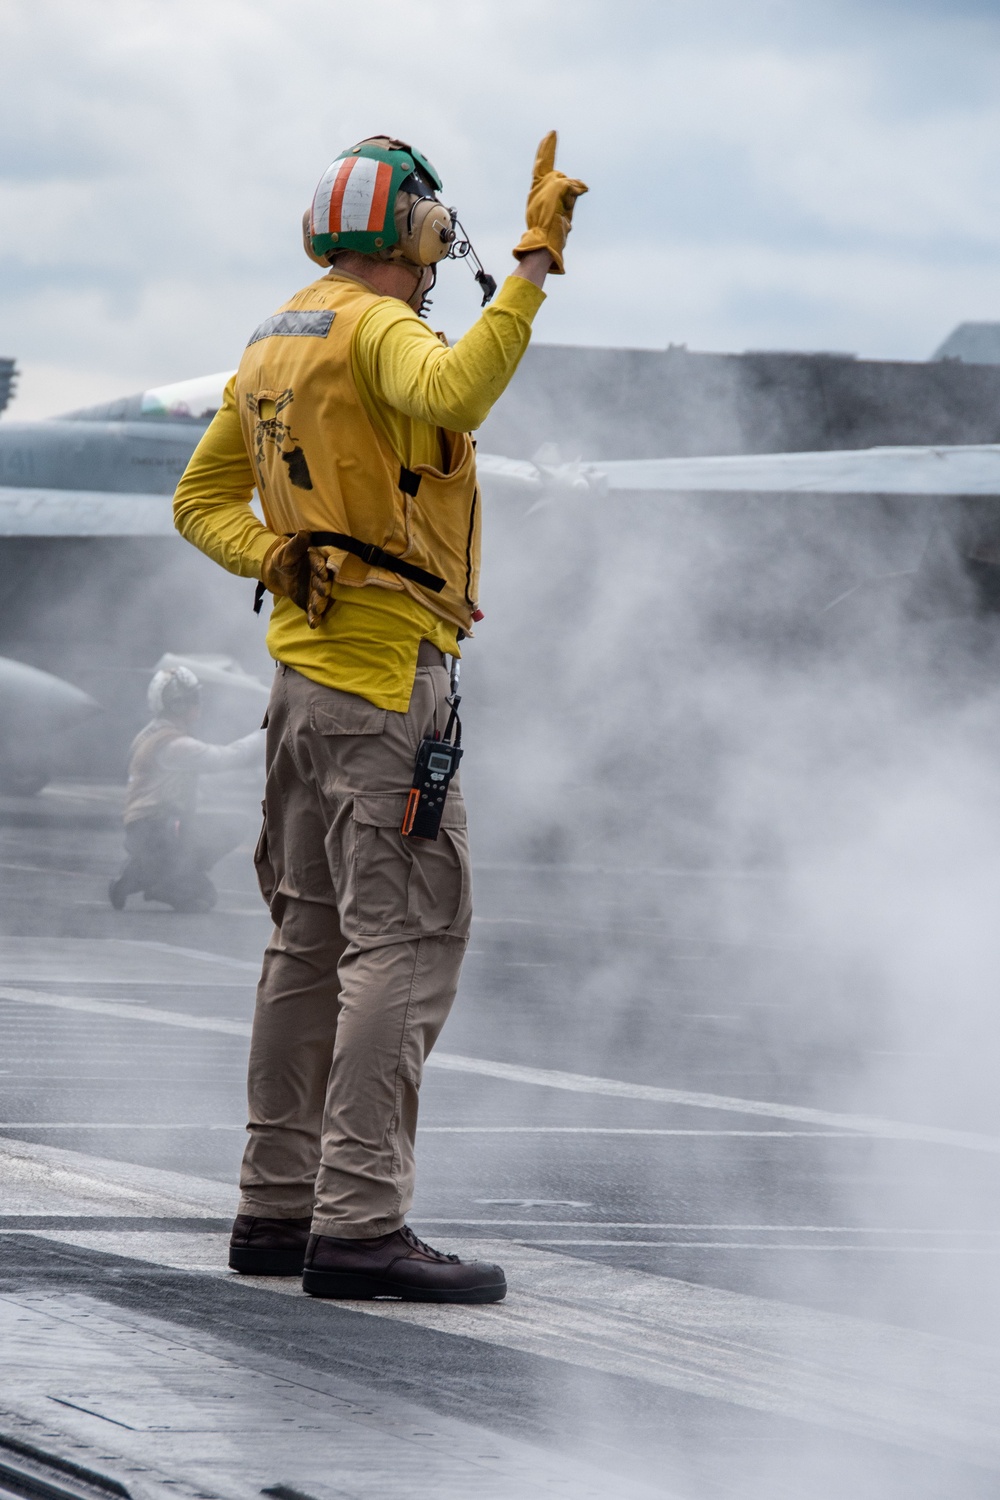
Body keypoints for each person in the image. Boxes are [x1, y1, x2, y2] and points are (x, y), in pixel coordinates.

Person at [173, 131, 586, 1302]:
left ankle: (274, 1208)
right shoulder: (381, 328)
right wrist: (533, 266)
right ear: (409, 236)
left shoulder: (273, 340)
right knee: (400, 941)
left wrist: (274, 552)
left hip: (297, 694)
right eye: (431, 232)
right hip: (379, 687)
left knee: (304, 944)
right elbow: (458, 389)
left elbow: (198, 498)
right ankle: (359, 1223)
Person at [110, 665, 263, 913]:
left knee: (226, 825)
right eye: (193, 699)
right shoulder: (175, 744)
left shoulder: (153, 733)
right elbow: (225, 758)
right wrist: (265, 733)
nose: (198, 704)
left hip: (147, 830)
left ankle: (144, 871)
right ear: (179, 704)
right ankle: (164, 878)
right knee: (204, 896)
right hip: (157, 832)